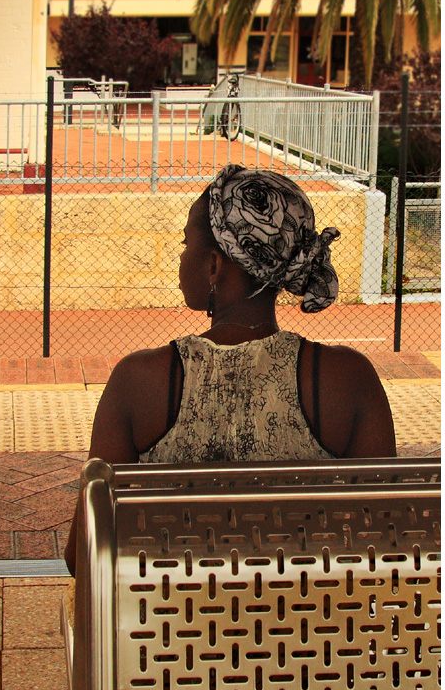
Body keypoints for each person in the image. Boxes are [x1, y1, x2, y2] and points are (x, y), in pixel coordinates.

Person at [65, 164, 396, 576]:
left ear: (214, 266)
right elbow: (385, 542)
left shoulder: (139, 381)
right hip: (308, 633)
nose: (181, 254)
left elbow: (83, 555)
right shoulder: (347, 378)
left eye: (187, 244)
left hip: (171, 634)